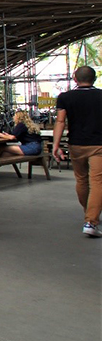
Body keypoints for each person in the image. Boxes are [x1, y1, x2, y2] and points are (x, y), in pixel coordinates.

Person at [53, 66, 102, 237]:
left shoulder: (65, 97)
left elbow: (60, 122)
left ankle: (89, 214)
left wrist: (56, 145)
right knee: (97, 182)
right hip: (98, 145)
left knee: (81, 180)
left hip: (75, 144)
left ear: (75, 79)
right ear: (94, 79)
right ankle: (91, 220)